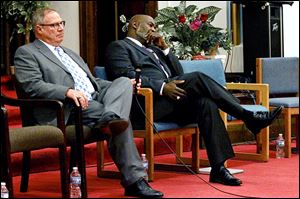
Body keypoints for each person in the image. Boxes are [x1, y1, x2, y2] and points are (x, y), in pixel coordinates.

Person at [104, 14, 283, 186]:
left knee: (206, 103)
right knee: (197, 77)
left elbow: (179, 73)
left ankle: (218, 168)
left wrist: (165, 48)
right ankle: (247, 116)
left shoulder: (155, 50)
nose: (154, 29)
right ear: (135, 25)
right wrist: (162, 87)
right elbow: (125, 76)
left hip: (171, 101)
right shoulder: (119, 47)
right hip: (146, 104)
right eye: (150, 25)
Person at [14, 9, 163, 198]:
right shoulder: (27, 53)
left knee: (124, 82)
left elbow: (93, 83)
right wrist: (66, 91)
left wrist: (121, 86)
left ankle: (110, 119)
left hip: (92, 99)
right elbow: (32, 85)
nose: (60, 28)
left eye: (62, 24)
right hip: (65, 108)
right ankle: (135, 181)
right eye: (54, 25)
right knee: (118, 119)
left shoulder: (69, 53)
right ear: (39, 29)